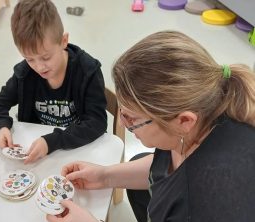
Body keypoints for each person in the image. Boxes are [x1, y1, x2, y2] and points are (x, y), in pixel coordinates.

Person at [46, 31, 255, 222]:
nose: (121, 123)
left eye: (132, 119)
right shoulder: (209, 106)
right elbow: (168, 163)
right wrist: (105, 176)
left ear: (184, 121)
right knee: (138, 164)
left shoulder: (199, 204)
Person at [0, 0, 107, 164]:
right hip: (37, 153)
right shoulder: (25, 73)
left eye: (46, 57)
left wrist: (52, 141)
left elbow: (97, 122)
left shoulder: (87, 71)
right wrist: (1, 126)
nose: (39, 67)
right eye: (29, 59)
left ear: (64, 41)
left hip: (77, 150)